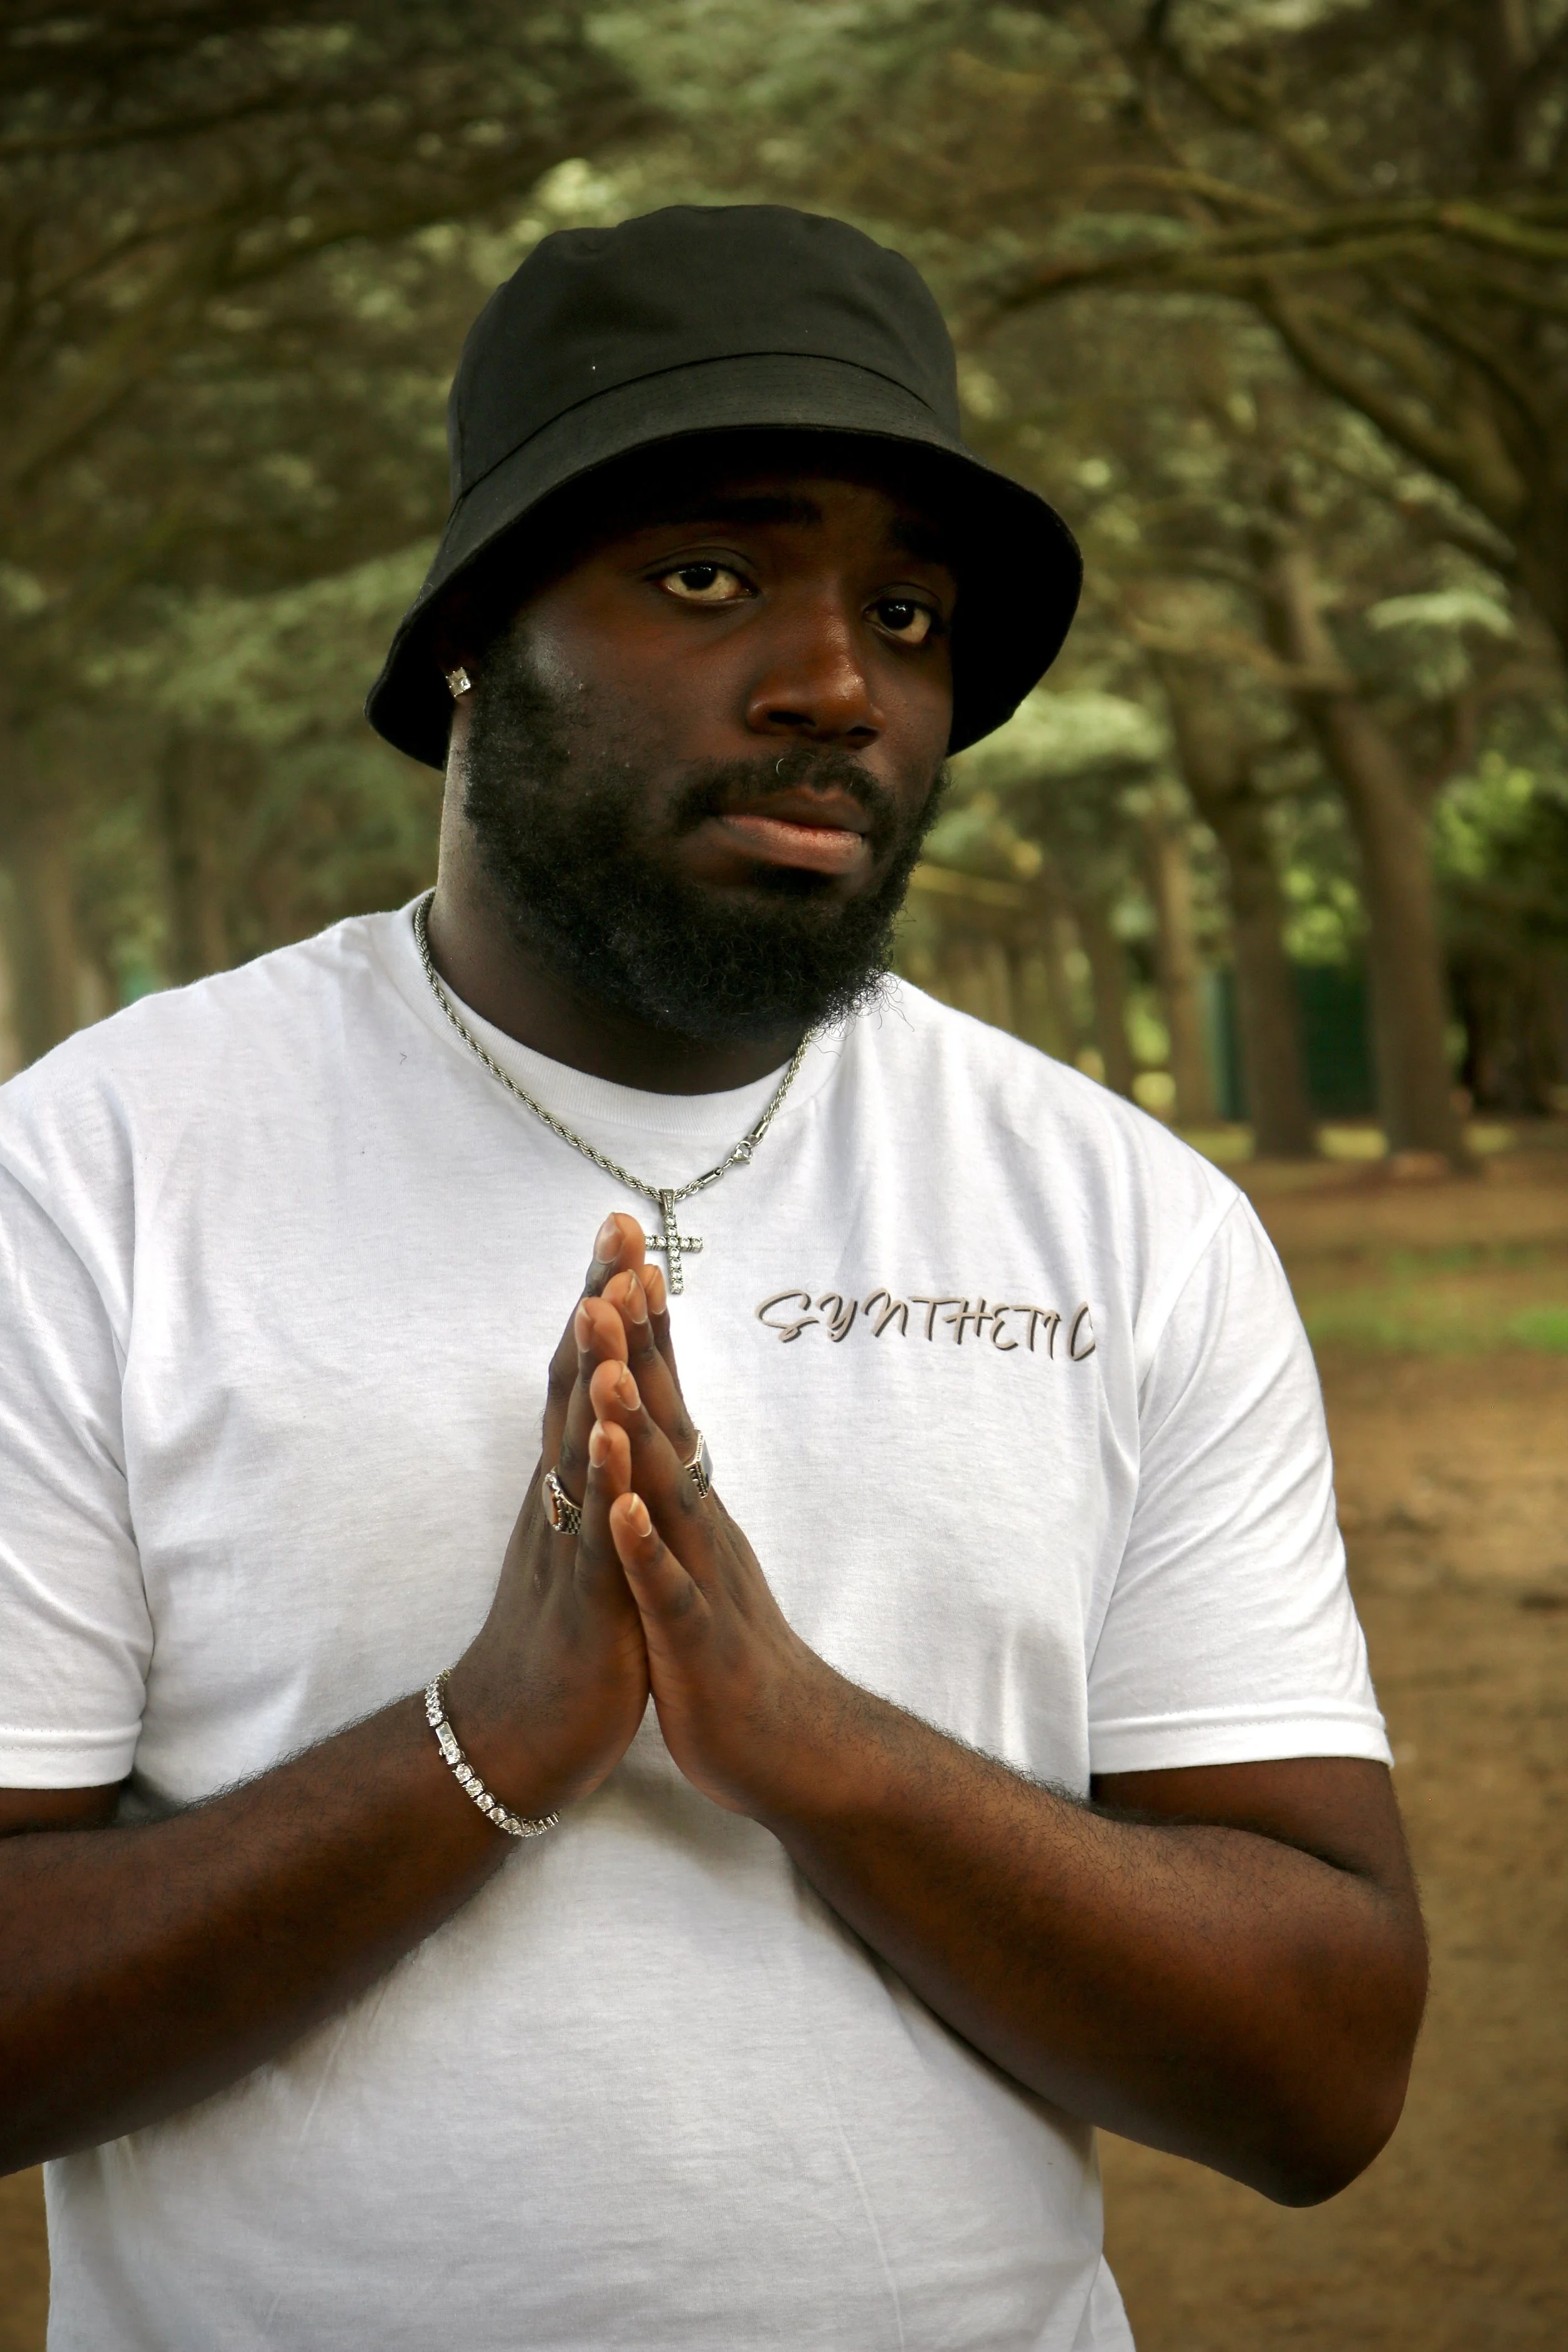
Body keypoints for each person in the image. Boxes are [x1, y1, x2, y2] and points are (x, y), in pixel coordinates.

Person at [0, 205, 1424, 2351]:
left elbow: (1322, 2069)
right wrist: (485, 1741)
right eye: (706, 575)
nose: (838, 684)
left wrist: (824, 1752)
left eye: (910, 611)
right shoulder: (98, 1172)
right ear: (478, 628)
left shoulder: (1124, 1216)